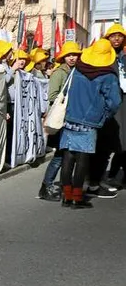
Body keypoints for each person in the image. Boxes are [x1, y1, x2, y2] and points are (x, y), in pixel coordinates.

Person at [59, 39, 122, 208]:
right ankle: (78, 198)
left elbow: (65, 91)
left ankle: (66, 196)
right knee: (82, 158)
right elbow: (115, 102)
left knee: (68, 156)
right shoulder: (107, 75)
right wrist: (104, 115)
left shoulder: (77, 69)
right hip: (90, 121)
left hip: (70, 117)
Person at [38, 42, 83, 201]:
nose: (72, 58)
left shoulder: (77, 71)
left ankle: (65, 186)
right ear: (64, 57)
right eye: (69, 55)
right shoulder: (59, 73)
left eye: (75, 55)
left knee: (70, 155)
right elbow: (52, 96)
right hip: (62, 119)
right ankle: (46, 186)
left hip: (73, 119)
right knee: (60, 155)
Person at [89, 24, 126, 194]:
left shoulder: (124, 57)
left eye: (120, 36)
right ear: (107, 38)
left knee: (122, 141)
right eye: (113, 36)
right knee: (104, 143)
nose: (117, 39)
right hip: (107, 104)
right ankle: (94, 180)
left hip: (122, 102)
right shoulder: (102, 58)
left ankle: (116, 176)